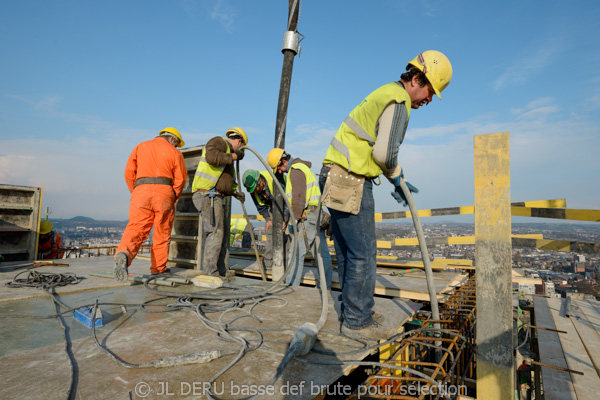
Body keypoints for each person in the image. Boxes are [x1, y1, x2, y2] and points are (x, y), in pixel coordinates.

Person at [319, 50, 452, 339]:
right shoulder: (399, 100)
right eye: (430, 91)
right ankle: (357, 319)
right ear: (417, 79)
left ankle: (352, 310)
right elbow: (384, 152)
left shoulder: (385, 91)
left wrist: (394, 178)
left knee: (347, 250)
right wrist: (397, 178)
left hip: (332, 173)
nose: (429, 99)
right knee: (363, 253)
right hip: (350, 177)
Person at [113, 127, 187, 281]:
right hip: (164, 192)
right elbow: (181, 179)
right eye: (177, 143)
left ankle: (124, 254)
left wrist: (137, 191)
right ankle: (159, 269)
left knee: (136, 228)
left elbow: (129, 173)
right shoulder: (175, 153)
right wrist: (173, 196)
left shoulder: (141, 146)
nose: (176, 147)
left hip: (141, 191)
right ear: (172, 139)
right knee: (162, 232)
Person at [266, 148, 333, 289]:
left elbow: (298, 197)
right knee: (320, 252)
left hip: (306, 216)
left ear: (284, 161)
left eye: (278, 167)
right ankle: (325, 286)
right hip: (315, 214)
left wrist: (294, 220)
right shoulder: (300, 168)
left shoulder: (295, 170)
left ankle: (292, 288)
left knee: (296, 253)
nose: (279, 171)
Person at [191, 127, 247, 277]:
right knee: (215, 233)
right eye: (241, 148)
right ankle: (210, 273)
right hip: (207, 195)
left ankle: (219, 271)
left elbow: (225, 181)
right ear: (239, 141)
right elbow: (212, 157)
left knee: (220, 234)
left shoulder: (227, 155)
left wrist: (236, 192)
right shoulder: (218, 142)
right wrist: (235, 156)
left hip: (215, 196)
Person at [241, 169, 289, 269]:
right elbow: (260, 206)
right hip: (273, 205)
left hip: (288, 203)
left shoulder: (274, 179)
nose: (254, 191)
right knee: (271, 232)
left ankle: (286, 265)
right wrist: (268, 219)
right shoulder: (253, 189)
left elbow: (286, 200)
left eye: (255, 188)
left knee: (286, 234)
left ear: (261, 181)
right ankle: (268, 264)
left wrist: (284, 219)